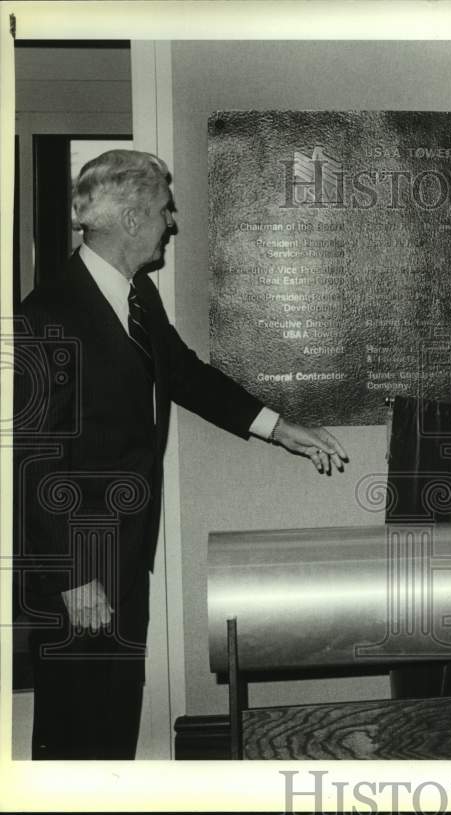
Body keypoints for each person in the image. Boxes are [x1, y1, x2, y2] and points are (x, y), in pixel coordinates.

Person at [13, 149, 350, 760]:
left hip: (126, 551)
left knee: (114, 714)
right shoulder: (47, 314)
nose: (172, 222)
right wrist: (72, 577)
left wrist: (281, 427)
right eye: (165, 209)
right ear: (132, 219)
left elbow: (187, 377)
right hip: (81, 567)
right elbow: (34, 462)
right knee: (75, 729)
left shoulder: (138, 296)